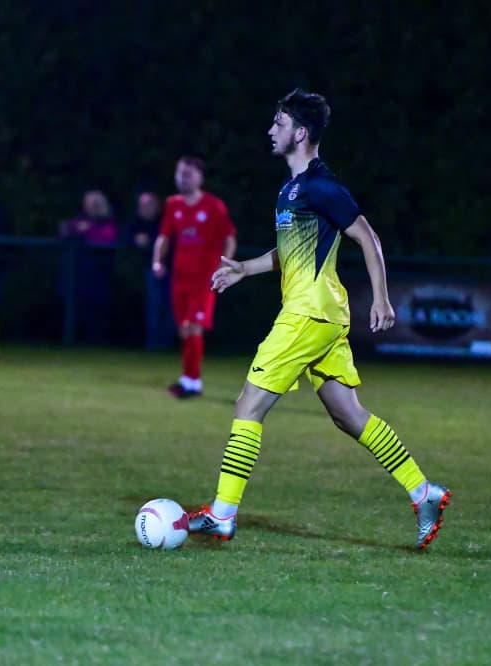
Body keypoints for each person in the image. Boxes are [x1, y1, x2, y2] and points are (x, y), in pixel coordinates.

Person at [188, 89, 451, 549]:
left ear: (300, 133)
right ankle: (423, 491)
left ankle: (222, 514)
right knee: (348, 415)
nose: (270, 130)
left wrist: (382, 299)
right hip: (321, 314)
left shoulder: (320, 185)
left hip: (308, 313)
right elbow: (289, 252)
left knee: (248, 405)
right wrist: (244, 268)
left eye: (278, 123)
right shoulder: (290, 190)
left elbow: (367, 237)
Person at [151, 157, 237, 397]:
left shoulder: (213, 206)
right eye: (180, 174)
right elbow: (164, 237)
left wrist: (224, 266)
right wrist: (157, 261)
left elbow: (229, 238)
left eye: (188, 174)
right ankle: (189, 379)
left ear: (200, 177)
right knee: (183, 328)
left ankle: (192, 382)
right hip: (180, 277)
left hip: (203, 278)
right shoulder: (173, 204)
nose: (183, 179)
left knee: (194, 326)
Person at [59, 190, 118, 343]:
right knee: (76, 309)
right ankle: (73, 340)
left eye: (95, 203)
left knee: (97, 311)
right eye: (89, 203)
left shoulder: (107, 222)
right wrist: (75, 230)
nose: (91, 207)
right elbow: (64, 232)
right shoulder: (79, 220)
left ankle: (97, 341)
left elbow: (109, 238)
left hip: (100, 276)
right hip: (77, 275)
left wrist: (88, 230)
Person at [126, 191, 173, 350]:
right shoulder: (133, 225)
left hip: (168, 270)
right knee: (153, 306)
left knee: (168, 306)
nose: (147, 209)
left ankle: (167, 343)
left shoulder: (165, 223)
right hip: (143, 273)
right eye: (143, 205)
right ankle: (152, 342)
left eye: (150, 205)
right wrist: (135, 241)